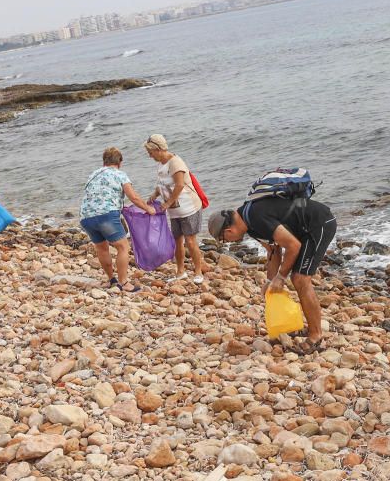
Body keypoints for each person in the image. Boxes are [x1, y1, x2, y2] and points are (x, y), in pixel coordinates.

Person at [208, 195, 337, 354]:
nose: (229, 242)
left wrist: (281, 277)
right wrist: (270, 280)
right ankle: (312, 327)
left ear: (229, 230)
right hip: (304, 229)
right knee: (297, 278)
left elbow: (293, 246)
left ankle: (316, 335)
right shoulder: (248, 221)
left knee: (300, 279)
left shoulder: (256, 218)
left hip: (319, 223)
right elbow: (274, 251)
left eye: (224, 239)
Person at [80, 147, 155, 292]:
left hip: (86, 217)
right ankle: (124, 283)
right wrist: (148, 209)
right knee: (123, 247)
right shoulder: (120, 175)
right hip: (106, 216)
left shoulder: (93, 174)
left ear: (104, 162)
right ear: (119, 162)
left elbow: (99, 195)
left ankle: (111, 280)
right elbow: (133, 197)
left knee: (102, 248)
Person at [144, 134, 208, 284]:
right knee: (177, 241)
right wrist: (154, 195)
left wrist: (167, 203)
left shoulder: (175, 162)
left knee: (190, 241)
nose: (149, 155)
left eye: (150, 152)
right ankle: (180, 272)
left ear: (158, 149)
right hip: (175, 211)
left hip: (189, 207)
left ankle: (198, 272)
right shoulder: (161, 164)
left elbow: (179, 185)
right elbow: (162, 184)